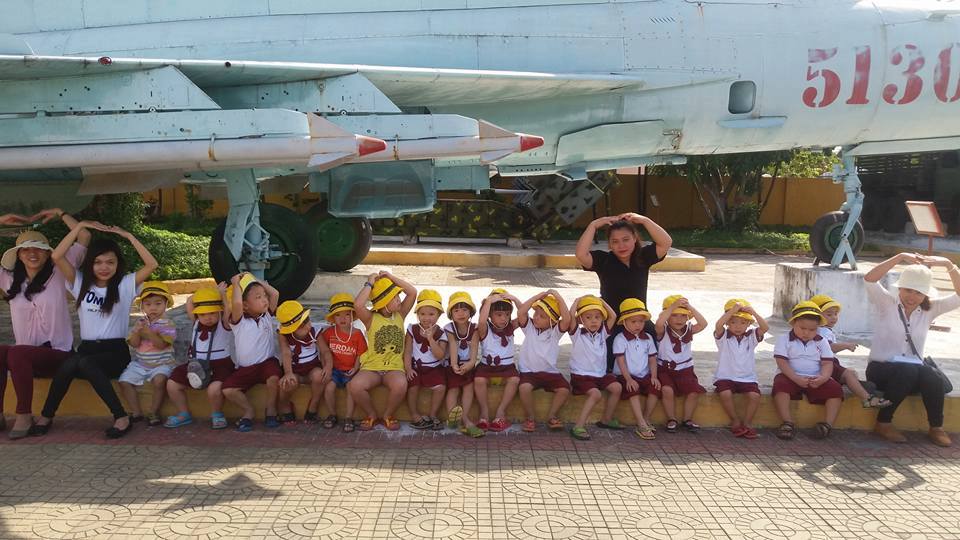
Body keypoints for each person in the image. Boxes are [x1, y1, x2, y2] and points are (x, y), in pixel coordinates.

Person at [32, 220, 158, 438]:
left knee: (83, 362)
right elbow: (57, 256)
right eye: (98, 262)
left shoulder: (125, 285)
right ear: (90, 264)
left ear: (118, 264)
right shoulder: (80, 283)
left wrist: (128, 236)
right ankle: (46, 416)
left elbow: (151, 264)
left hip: (115, 353)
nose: (104, 267)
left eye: (110, 262)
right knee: (69, 364)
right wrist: (79, 226)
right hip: (88, 350)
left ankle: (120, 416)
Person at [0, 209, 89, 439]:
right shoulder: (7, 279)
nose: (32, 253)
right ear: (18, 255)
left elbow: (84, 236)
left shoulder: (60, 271)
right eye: (26, 249)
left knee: (17, 352)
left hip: (59, 355)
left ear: (48, 253)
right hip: (24, 361)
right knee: (3, 352)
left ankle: (24, 415)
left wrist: (61, 213)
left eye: (39, 248)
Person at [864, 253, 960, 447]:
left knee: (930, 374)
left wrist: (948, 264)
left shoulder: (930, 309)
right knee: (908, 371)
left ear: (925, 295)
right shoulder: (886, 303)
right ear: (900, 288)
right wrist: (899, 257)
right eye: (908, 290)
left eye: (918, 293)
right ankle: (883, 422)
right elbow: (869, 279)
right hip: (880, 369)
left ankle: (936, 427)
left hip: (912, 372)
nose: (912, 297)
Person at [575, 213, 672, 371]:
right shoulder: (604, 260)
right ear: (610, 245)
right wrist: (593, 225)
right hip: (612, 323)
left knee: (655, 360)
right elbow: (581, 254)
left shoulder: (643, 257)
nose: (621, 245)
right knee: (609, 367)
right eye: (615, 241)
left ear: (634, 239)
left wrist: (644, 220)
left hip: (639, 321)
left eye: (626, 239)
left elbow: (666, 242)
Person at [350, 271, 416, 431]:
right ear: (384, 303)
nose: (399, 299)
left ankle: (388, 414)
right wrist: (370, 283)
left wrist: (391, 277)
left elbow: (412, 292)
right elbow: (358, 305)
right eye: (394, 297)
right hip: (372, 367)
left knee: (400, 385)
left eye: (398, 296)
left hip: (394, 368)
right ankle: (371, 414)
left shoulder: (400, 314)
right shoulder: (370, 318)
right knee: (355, 386)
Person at [164, 285, 234, 429]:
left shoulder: (224, 324)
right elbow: (190, 301)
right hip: (196, 364)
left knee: (214, 389)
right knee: (172, 384)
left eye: (212, 313)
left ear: (219, 311)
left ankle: (217, 414)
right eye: (202, 314)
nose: (207, 318)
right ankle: (184, 413)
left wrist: (220, 295)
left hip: (220, 365)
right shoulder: (196, 323)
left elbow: (228, 309)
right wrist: (207, 293)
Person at [772, 301, 844, 441]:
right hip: (790, 376)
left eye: (812, 330)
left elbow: (827, 363)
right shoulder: (784, 339)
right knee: (780, 386)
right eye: (802, 328)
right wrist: (795, 378)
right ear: (793, 323)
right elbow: (782, 362)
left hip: (815, 378)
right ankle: (787, 422)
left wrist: (823, 378)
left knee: (836, 390)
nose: (806, 332)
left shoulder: (822, 341)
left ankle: (827, 425)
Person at [221, 273, 282, 432]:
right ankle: (248, 411)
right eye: (258, 297)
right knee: (228, 390)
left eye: (264, 296)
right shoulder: (239, 322)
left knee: (274, 377)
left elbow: (275, 294)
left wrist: (255, 279)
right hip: (246, 368)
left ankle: (271, 410)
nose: (264, 300)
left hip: (267, 363)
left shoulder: (267, 315)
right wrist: (235, 284)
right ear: (245, 305)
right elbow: (236, 303)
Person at [808, 294, 890, 409]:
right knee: (848, 374)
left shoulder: (823, 330)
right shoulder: (822, 331)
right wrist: (846, 345)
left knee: (852, 373)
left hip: (827, 363)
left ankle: (859, 386)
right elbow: (829, 347)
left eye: (836, 314)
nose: (834, 317)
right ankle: (867, 398)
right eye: (829, 314)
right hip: (825, 364)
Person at [118, 281, 177, 426]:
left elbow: (162, 345)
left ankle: (153, 412)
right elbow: (134, 344)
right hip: (141, 364)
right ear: (142, 306)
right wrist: (137, 332)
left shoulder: (168, 324)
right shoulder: (140, 322)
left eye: (158, 303)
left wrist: (149, 333)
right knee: (124, 382)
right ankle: (136, 411)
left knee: (159, 381)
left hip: (162, 364)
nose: (153, 308)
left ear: (166, 304)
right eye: (148, 304)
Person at [567, 295, 623, 441]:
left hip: (600, 375)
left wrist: (601, 301)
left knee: (617, 387)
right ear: (581, 320)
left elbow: (613, 316)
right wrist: (576, 302)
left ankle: (606, 419)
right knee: (596, 394)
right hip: (581, 376)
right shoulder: (577, 334)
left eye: (597, 317)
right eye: (588, 317)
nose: (593, 321)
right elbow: (570, 317)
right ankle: (578, 426)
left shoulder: (602, 334)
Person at [713, 299, 768, 439]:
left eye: (743, 323)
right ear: (727, 323)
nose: (738, 326)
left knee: (755, 396)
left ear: (749, 324)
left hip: (747, 378)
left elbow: (765, 327)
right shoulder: (723, 336)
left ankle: (747, 422)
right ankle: (735, 420)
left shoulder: (751, 337)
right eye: (733, 322)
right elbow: (718, 325)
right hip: (725, 376)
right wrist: (732, 310)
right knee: (725, 394)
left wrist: (753, 312)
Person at [516, 291, 572, 432]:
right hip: (529, 372)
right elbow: (521, 312)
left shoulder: (555, 332)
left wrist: (558, 297)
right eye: (536, 313)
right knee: (524, 388)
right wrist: (537, 297)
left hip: (549, 372)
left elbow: (566, 319)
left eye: (542, 316)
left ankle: (552, 416)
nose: (536, 317)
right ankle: (530, 417)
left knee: (564, 389)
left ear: (552, 321)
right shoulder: (529, 327)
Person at [655, 295, 708, 433]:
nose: (679, 319)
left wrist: (689, 307)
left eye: (683, 316)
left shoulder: (689, 329)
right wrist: (672, 306)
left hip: (685, 369)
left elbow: (703, 324)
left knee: (693, 391)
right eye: (674, 315)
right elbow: (659, 323)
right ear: (667, 316)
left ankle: (687, 419)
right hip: (665, 369)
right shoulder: (663, 330)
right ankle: (671, 419)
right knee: (667, 390)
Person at [474, 288, 523, 432]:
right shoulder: (484, 329)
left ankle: (501, 412)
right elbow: (481, 320)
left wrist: (515, 299)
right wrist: (488, 301)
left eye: (507, 314)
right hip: (487, 367)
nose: (503, 318)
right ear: (490, 314)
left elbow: (523, 316)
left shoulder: (511, 327)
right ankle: (484, 413)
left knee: (514, 380)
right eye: (499, 314)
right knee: (479, 380)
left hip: (507, 367)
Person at [277, 300, 333, 425]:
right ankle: (285, 405)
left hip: (312, 368)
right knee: (287, 383)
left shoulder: (315, 332)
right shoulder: (283, 335)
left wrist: (328, 367)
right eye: (301, 326)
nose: (307, 326)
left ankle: (313, 405)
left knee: (320, 376)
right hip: (294, 369)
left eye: (307, 320)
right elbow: (286, 353)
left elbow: (325, 351)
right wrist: (288, 373)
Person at [612, 298, 659, 440]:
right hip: (625, 375)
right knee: (633, 390)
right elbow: (621, 361)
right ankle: (640, 423)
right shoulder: (620, 339)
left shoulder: (648, 338)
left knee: (655, 388)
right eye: (633, 321)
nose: (638, 325)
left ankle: (646, 417)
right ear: (624, 322)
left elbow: (652, 359)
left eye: (641, 321)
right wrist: (628, 379)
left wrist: (654, 376)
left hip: (644, 374)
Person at [321, 293, 366, 432]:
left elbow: (360, 354)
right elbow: (323, 351)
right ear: (333, 318)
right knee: (329, 388)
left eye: (347, 314)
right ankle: (332, 414)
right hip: (335, 370)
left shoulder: (357, 333)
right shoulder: (329, 333)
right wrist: (325, 367)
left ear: (352, 316)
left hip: (350, 370)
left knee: (351, 389)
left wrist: (356, 368)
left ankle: (348, 417)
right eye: (338, 315)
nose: (342, 318)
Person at [404, 289, 448, 430]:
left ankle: (433, 414)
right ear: (417, 314)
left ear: (439, 315)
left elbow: (440, 355)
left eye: (431, 314)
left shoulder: (441, 333)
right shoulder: (412, 329)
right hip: (416, 367)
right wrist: (408, 368)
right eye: (422, 314)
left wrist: (430, 338)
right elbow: (408, 351)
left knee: (440, 387)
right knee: (412, 387)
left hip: (434, 369)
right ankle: (414, 415)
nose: (426, 318)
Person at [443, 291, 482, 437]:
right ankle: (452, 417)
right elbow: (453, 345)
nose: (461, 314)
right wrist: (454, 365)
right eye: (456, 310)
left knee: (468, 387)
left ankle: (464, 417)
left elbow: (474, 348)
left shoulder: (475, 328)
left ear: (470, 312)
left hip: (468, 364)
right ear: (451, 314)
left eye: (465, 310)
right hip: (452, 364)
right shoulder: (449, 328)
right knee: (453, 389)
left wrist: (471, 364)